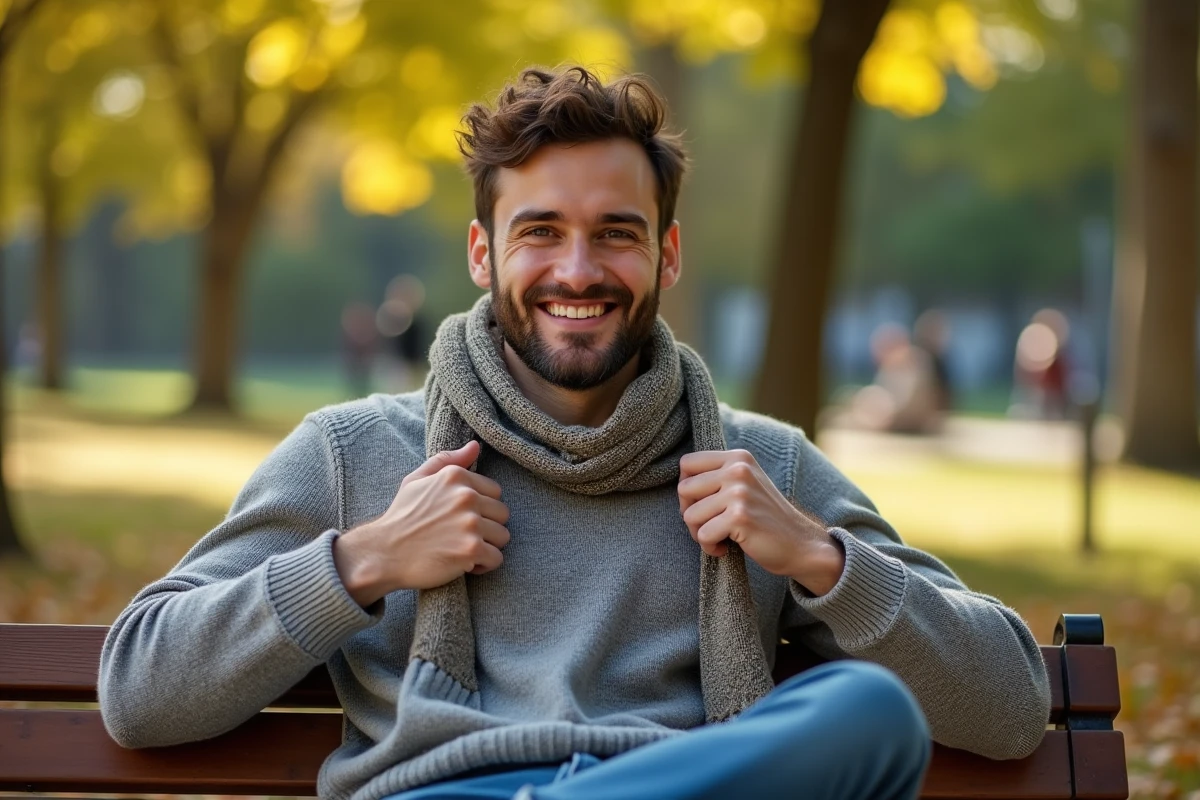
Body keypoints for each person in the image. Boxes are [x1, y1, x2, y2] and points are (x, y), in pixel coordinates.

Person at [98, 66, 1051, 800]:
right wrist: (362, 561)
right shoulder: (354, 455)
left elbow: (1011, 708)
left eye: (617, 234)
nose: (579, 269)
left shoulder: (763, 469)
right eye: (541, 231)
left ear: (667, 255)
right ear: (484, 252)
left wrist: (817, 556)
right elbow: (139, 687)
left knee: (868, 711)